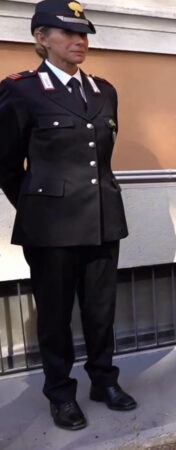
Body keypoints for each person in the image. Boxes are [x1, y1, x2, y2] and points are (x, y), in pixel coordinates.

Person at [0, 0, 136, 431]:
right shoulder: (21, 90)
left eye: (85, 34)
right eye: (68, 33)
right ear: (41, 38)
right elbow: (5, 164)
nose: (80, 41)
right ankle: (60, 393)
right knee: (55, 316)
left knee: (101, 310)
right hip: (52, 228)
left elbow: (101, 160)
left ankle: (103, 381)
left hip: (101, 219)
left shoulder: (104, 90)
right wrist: (40, 208)